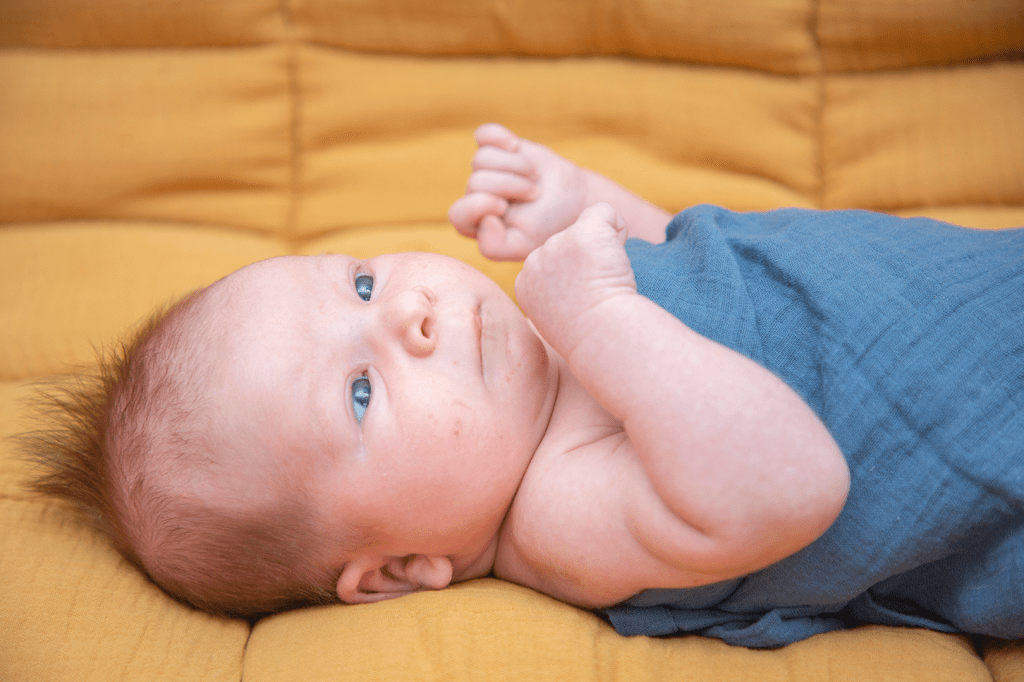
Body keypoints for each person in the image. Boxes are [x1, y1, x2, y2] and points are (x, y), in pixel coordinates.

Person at [25, 124, 1023, 648]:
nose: (406, 312)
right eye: (361, 392)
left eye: (363, 281)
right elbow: (789, 480)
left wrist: (592, 209)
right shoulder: (557, 517)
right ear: (406, 567)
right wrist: (596, 315)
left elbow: (715, 285)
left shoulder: (540, 355)